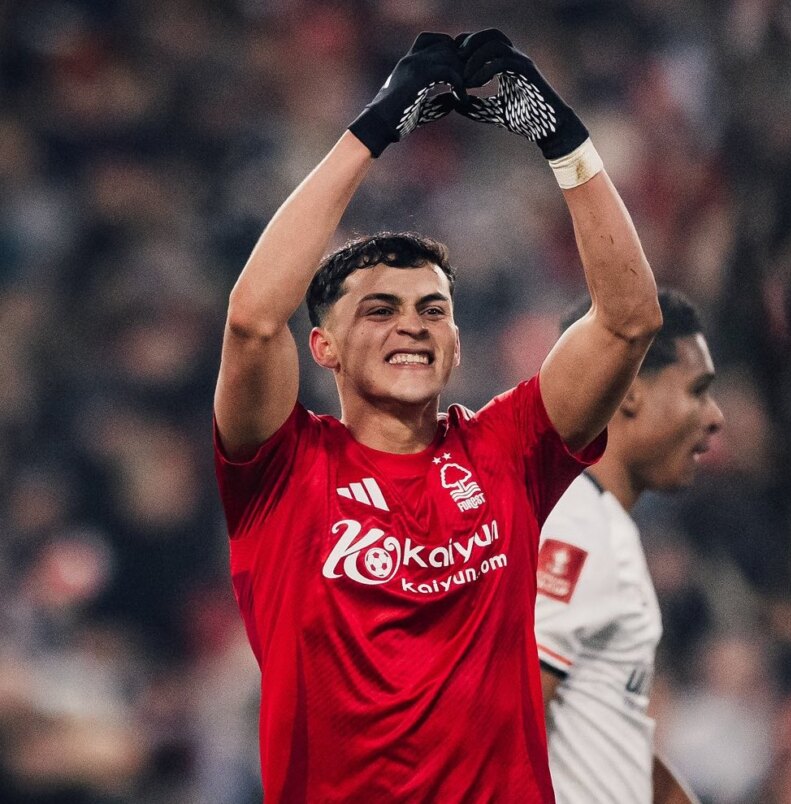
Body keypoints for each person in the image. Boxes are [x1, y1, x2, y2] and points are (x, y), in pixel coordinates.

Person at [212, 29, 661, 803]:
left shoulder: (509, 450)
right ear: (323, 347)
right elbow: (253, 320)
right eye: (379, 310)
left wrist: (564, 143)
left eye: (431, 310)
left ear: (456, 344)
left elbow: (628, 321)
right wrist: (375, 127)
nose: (411, 325)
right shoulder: (281, 472)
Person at [534, 289, 724, 804]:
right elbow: (507, 727)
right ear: (630, 390)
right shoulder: (573, 526)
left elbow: (602, 730)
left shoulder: (598, 519)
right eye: (698, 390)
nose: (714, 417)